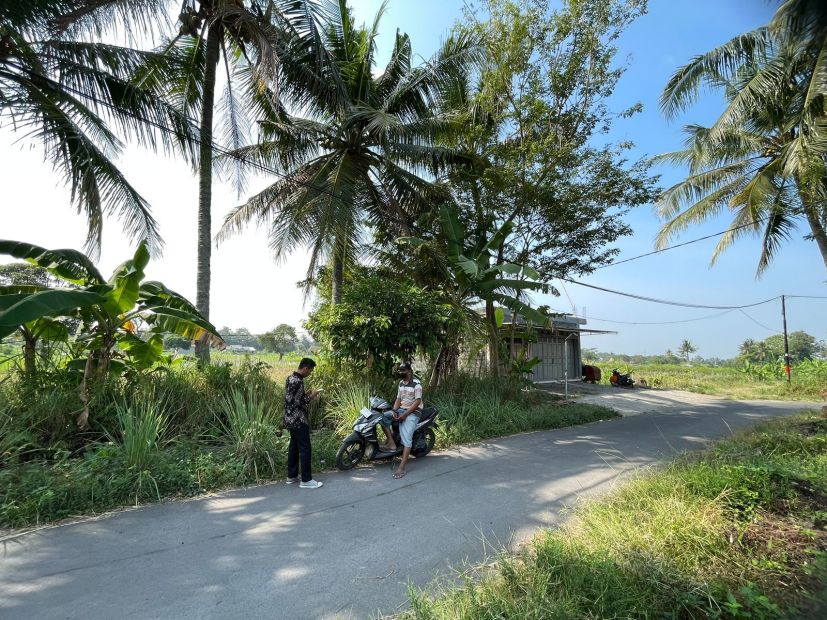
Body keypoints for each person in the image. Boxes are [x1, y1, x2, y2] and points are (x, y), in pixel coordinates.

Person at [284, 357, 323, 489]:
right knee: (305, 448)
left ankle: (292, 476)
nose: (310, 373)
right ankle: (306, 480)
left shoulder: (290, 378)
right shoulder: (299, 381)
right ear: (305, 368)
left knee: (294, 447)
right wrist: (313, 395)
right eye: (310, 371)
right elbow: (301, 402)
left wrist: (305, 394)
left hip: (289, 418)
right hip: (299, 419)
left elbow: (292, 398)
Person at [380, 362, 423, 479]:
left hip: (413, 412)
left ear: (409, 371)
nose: (401, 373)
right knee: (383, 418)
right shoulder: (401, 383)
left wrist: (405, 414)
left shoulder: (416, 384)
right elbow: (399, 398)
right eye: (400, 371)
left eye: (403, 371)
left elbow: (417, 401)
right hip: (401, 410)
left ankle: (402, 467)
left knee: (407, 439)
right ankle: (391, 443)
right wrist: (394, 410)